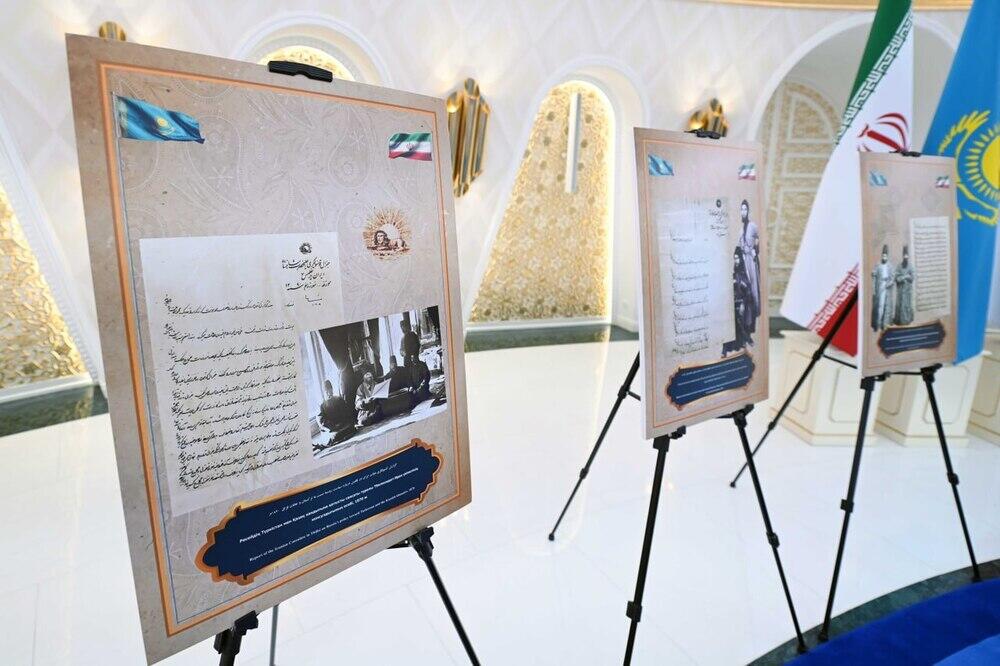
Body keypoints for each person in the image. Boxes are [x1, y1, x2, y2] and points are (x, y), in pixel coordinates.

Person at [737, 199, 761, 332]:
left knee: (754, 290)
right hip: (744, 262)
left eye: (745, 209)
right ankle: (747, 324)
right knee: (746, 290)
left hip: (751, 261)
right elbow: (740, 248)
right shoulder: (740, 230)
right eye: (741, 209)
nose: (743, 212)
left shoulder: (753, 226)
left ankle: (753, 323)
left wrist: (755, 251)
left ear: (748, 210)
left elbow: (757, 239)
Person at [871, 244, 895, 331]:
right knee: (880, 306)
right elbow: (874, 274)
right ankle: (877, 325)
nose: (884, 257)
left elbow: (893, 278)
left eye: (886, 256)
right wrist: (874, 287)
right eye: (883, 256)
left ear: (887, 256)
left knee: (886, 306)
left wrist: (888, 284)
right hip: (880, 287)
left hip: (887, 287)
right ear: (881, 256)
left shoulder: (890, 266)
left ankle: (884, 325)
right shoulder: (878, 265)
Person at [893, 245, 914, 326]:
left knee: (907, 305)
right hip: (901, 290)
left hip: (907, 290)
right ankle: (900, 321)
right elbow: (896, 277)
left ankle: (907, 320)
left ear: (908, 256)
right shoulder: (899, 266)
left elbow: (912, 277)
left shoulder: (910, 266)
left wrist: (907, 277)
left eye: (907, 256)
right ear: (902, 256)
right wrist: (902, 278)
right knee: (900, 305)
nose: (906, 257)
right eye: (904, 255)